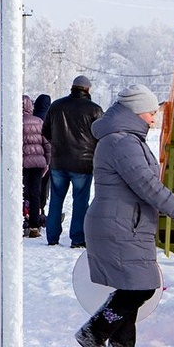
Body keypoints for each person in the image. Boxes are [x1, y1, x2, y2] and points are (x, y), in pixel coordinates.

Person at [76, 84, 174, 347]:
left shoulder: (126, 139)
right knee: (139, 288)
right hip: (119, 225)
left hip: (127, 223)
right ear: (135, 112)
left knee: (132, 285)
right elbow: (148, 186)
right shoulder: (122, 142)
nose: (153, 118)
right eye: (150, 112)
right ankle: (94, 333)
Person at [41, 75, 103, 247]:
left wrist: (58, 144)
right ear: (88, 90)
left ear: (72, 87)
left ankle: (52, 237)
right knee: (80, 201)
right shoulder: (95, 110)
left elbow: (45, 131)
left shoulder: (56, 106)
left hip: (58, 162)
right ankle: (77, 238)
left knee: (56, 199)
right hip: (83, 163)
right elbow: (101, 135)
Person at [21, 95, 50, 238]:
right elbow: (46, 144)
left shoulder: (14, 122)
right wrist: (47, 162)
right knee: (35, 194)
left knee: (20, 194)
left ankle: (21, 222)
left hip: (22, 163)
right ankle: (34, 226)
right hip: (38, 163)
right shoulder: (39, 122)